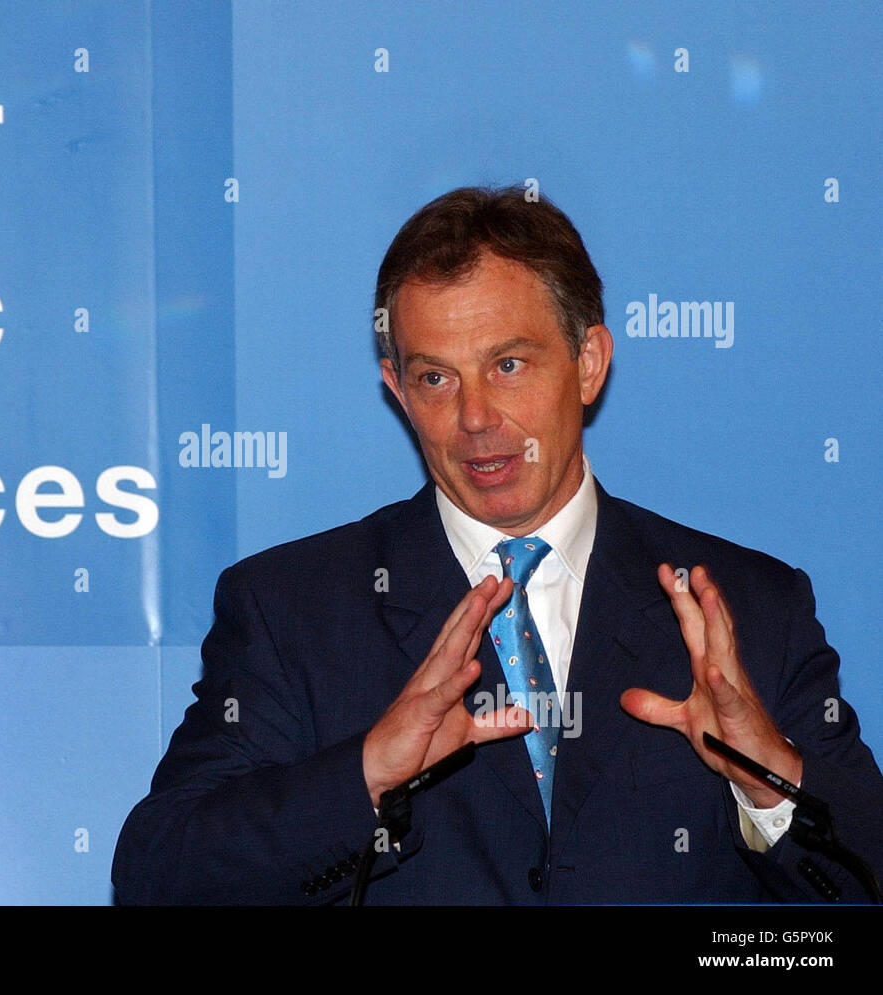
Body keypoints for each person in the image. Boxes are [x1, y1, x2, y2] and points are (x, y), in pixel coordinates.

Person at [111, 186, 883, 904]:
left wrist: (769, 774)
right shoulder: (294, 608)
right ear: (396, 386)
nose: (476, 417)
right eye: (437, 378)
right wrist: (366, 772)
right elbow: (161, 872)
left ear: (588, 363)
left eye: (508, 365)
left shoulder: (750, 604)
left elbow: (868, 873)